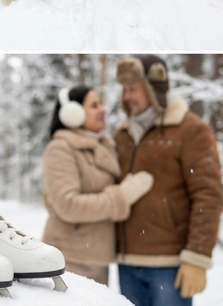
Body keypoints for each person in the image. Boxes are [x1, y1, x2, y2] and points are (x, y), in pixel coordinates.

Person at [113, 54, 223, 306]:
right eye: (124, 90)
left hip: (170, 264)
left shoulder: (191, 130)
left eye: (133, 89)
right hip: (127, 263)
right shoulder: (121, 135)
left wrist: (197, 256)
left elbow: (208, 195)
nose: (126, 96)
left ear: (154, 89)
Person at [41, 84, 153, 285]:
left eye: (101, 103)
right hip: (69, 260)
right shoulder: (60, 148)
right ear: (72, 113)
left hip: (97, 259)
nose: (103, 110)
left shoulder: (105, 146)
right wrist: (122, 197)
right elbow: (68, 205)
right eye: (94, 105)